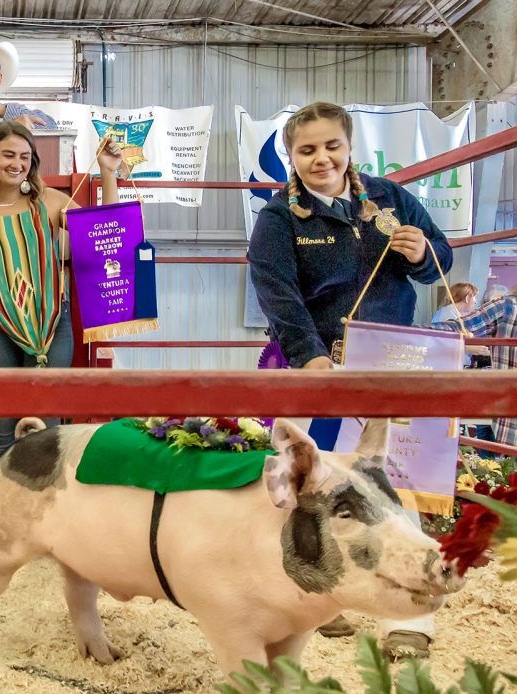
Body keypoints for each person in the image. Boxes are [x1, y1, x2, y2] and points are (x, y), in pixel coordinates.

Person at [247, 102, 453, 660]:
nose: (321, 159)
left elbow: (440, 263)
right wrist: (310, 359)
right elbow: (276, 292)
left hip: (389, 364)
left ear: (349, 145)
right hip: (315, 368)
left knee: (397, 485)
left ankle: (412, 615)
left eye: (331, 146)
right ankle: (319, 602)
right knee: (309, 489)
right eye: (307, 150)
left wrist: (421, 254)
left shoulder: (390, 198)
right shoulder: (279, 218)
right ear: (290, 157)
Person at [0, 121, 123, 462]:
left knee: (47, 422)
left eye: (25, 157)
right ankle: (2, 508)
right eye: (8, 155)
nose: (17, 164)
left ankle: (44, 509)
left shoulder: (50, 202)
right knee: (2, 420)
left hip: (51, 328)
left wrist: (108, 172)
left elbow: (106, 232)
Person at [428, 285, 517, 451]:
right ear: (468, 297)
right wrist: (400, 334)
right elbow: (456, 330)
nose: (475, 301)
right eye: (474, 298)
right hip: (510, 428)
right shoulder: (508, 308)